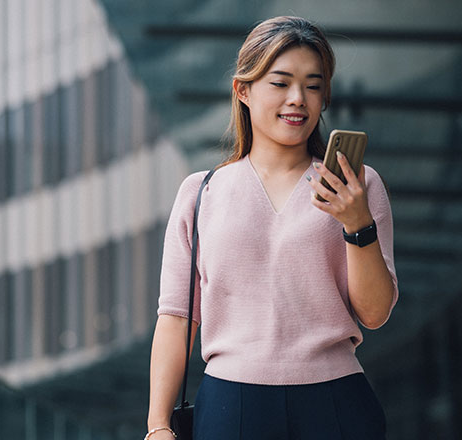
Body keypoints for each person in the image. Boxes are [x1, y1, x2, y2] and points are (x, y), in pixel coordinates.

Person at [145, 16, 398, 440]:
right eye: (280, 83)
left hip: (336, 401)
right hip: (231, 404)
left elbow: (374, 314)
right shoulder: (200, 192)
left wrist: (358, 225)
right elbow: (176, 318)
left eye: (313, 85)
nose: (298, 99)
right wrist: (157, 425)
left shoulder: (357, 184)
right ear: (243, 90)